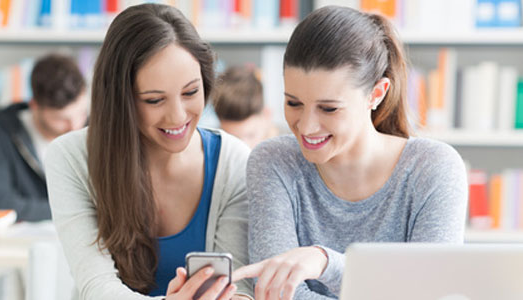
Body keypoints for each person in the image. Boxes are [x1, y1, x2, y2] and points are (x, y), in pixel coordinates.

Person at [233, 6, 468, 299]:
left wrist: (325, 262)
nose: (306, 126)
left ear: (376, 94)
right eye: (294, 103)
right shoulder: (274, 161)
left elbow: (429, 292)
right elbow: (276, 292)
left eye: (329, 108)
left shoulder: (432, 168)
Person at [44, 3, 252, 300]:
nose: (178, 116)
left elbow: (239, 287)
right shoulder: (71, 157)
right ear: (121, 100)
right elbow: (97, 286)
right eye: (155, 100)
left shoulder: (232, 162)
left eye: (191, 92)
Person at [0, 53, 88, 221]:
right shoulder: (0, 133)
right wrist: (78, 210)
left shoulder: (94, 128)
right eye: (61, 119)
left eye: (81, 113)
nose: (75, 126)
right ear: (34, 105)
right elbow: (0, 204)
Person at [212, 65, 277, 148]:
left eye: (250, 135)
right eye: (233, 139)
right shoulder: (216, 147)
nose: (245, 147)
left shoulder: (295, 150)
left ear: (267, 114)